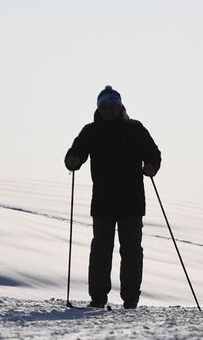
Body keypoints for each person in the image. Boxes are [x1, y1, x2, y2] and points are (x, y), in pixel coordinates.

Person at [64, 86, 161, 309]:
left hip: (131, 201)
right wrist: (73, 159)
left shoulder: (135, 129)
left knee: (131, 250)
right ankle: (98, 298)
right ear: (99, 108)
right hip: (104, 202)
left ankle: (130, 299)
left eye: (112, 106)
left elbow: (153, 153)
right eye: (105, 106)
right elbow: (76, 151)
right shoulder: (91, 131)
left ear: (119, 107)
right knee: (102, 249)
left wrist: (152, 166)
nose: (109, 110)